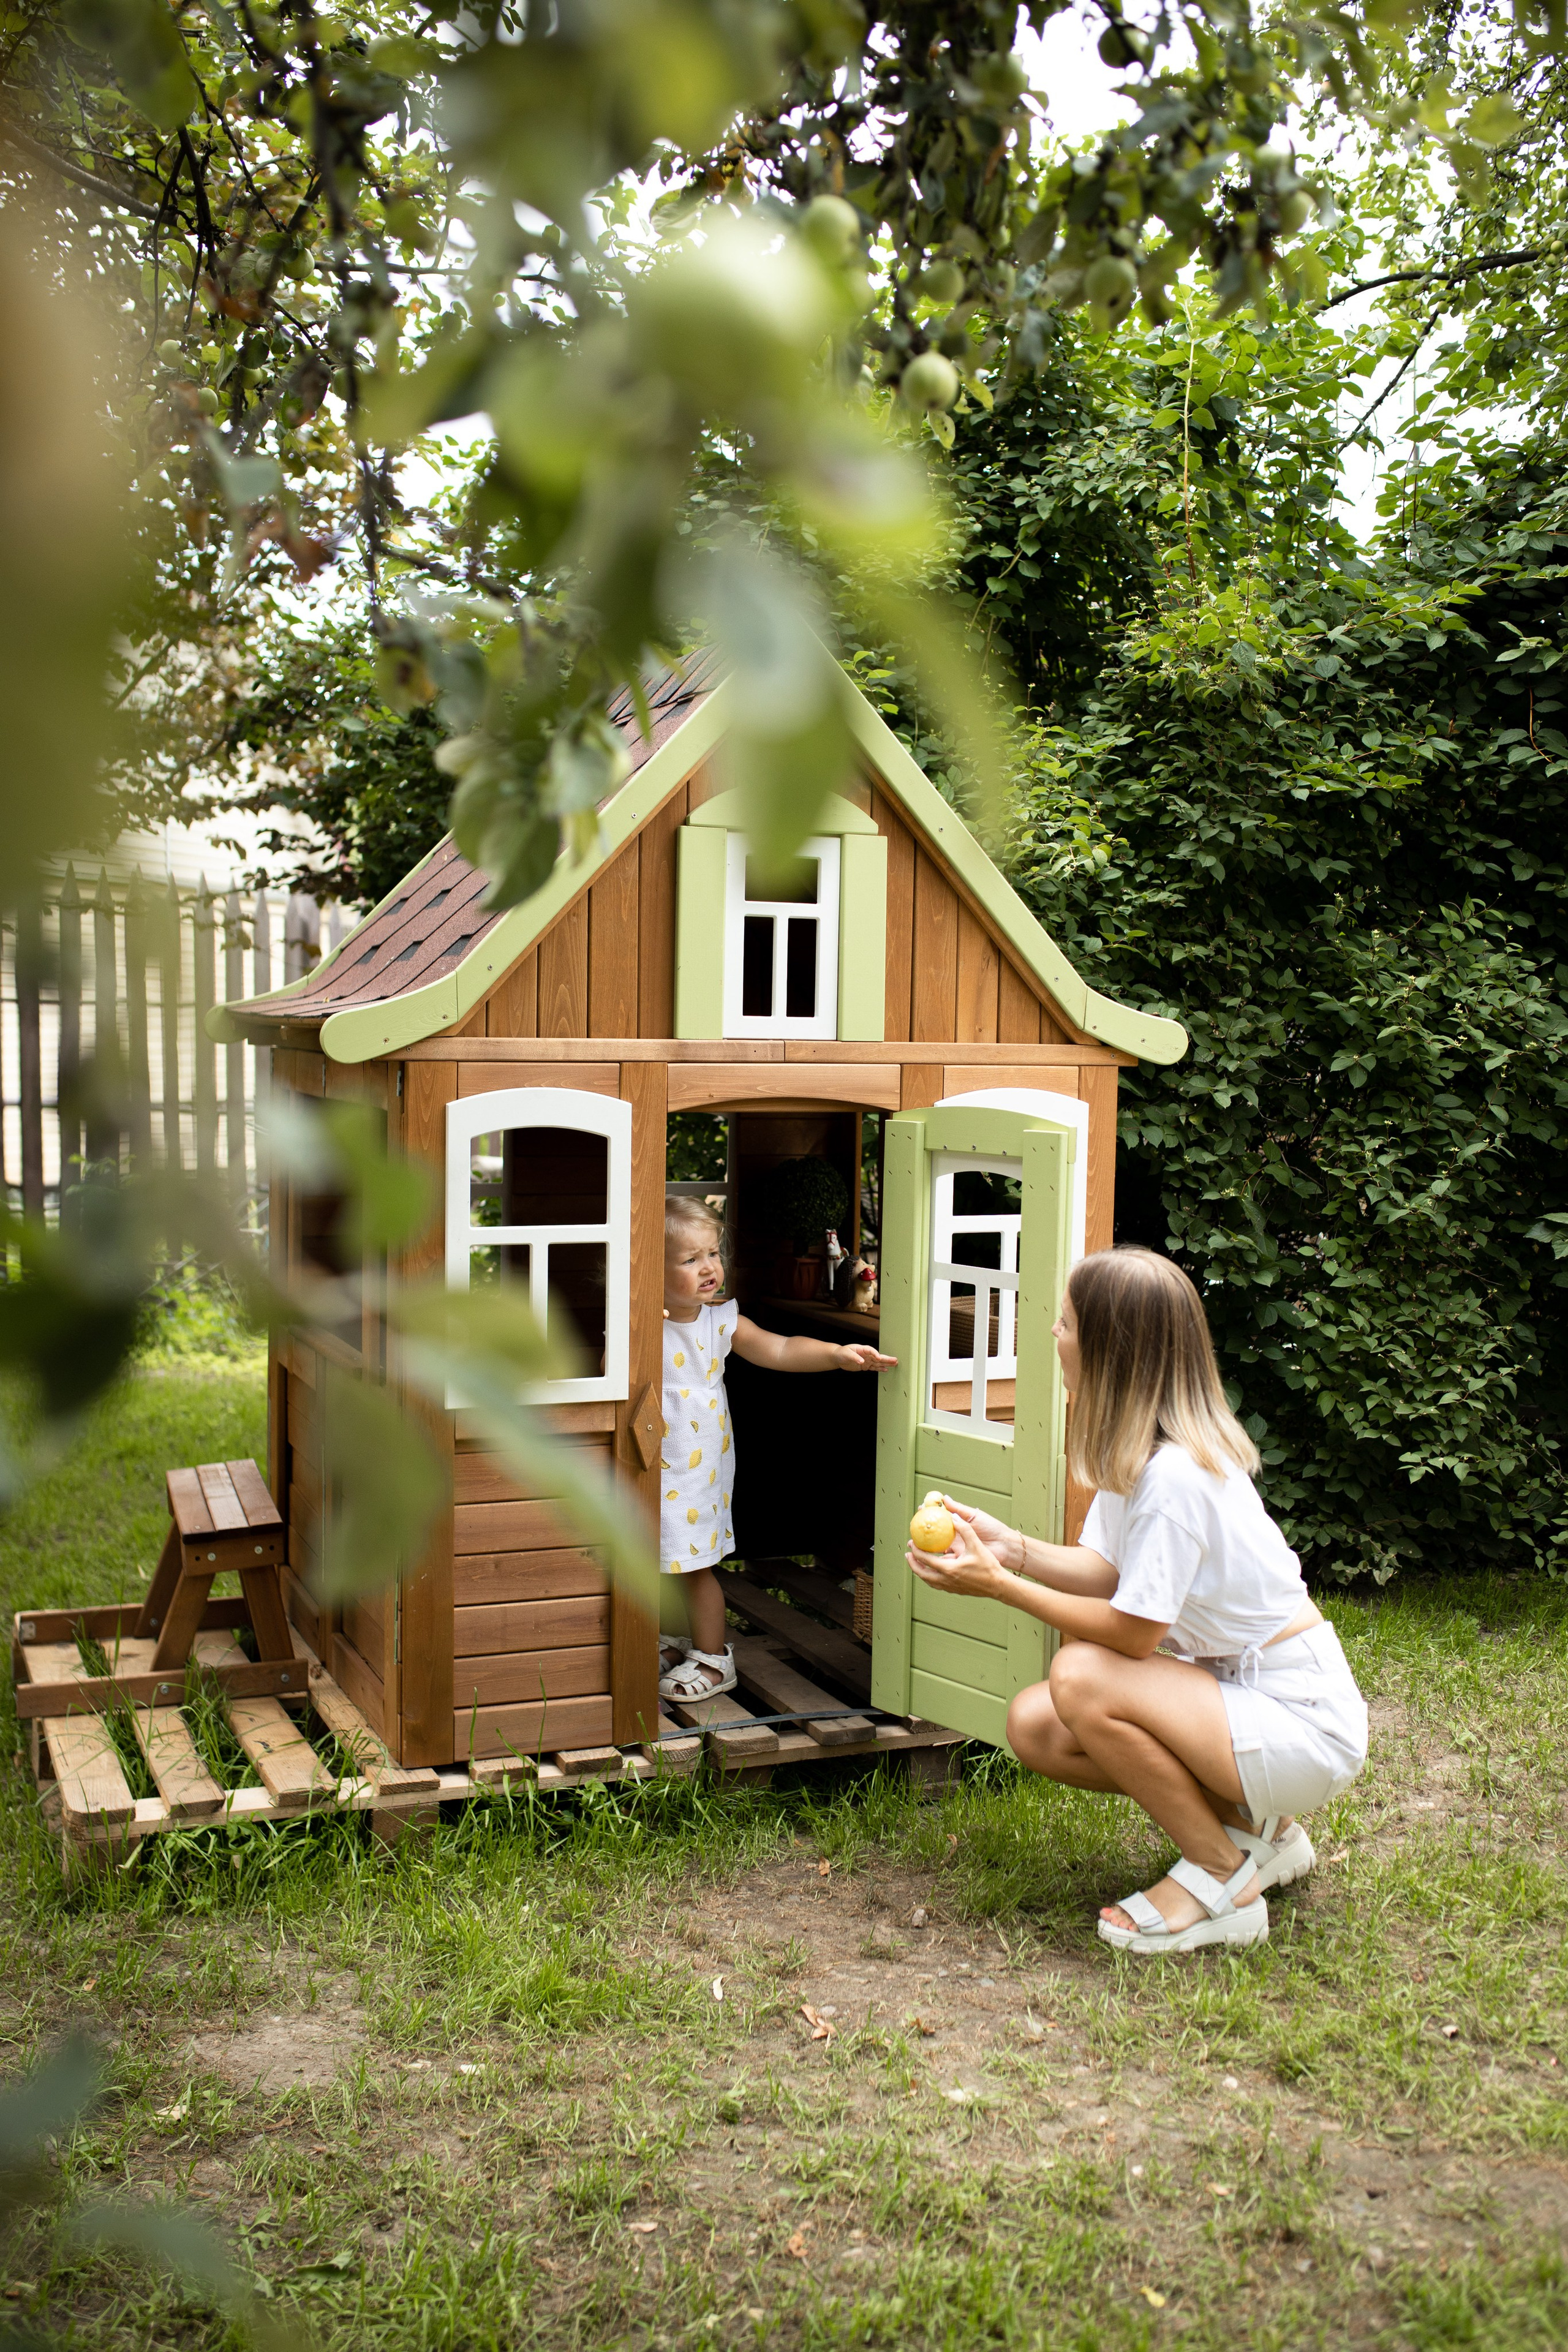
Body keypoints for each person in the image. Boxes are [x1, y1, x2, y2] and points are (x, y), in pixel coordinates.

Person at [906, 1246, 1368, 1956]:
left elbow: (1131, 1635)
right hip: (1239, 1699)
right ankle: (1261, 1835)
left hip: (1298, 1722)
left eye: (1064, 1323)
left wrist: (1000, 1587)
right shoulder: (1142, 1457)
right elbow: (1105, 1569)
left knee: (1081, 1676)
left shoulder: (1176, 1477)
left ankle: (1223, 1880)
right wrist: (1013, 1549)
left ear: (1107, 1349)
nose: (1053, 1335)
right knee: (1037, 1724)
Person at [660, 1193, 895, 1700]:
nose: (709, 1268)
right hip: (650, 1462)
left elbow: (782, 1348)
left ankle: (714, 1658)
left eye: (713, 1254)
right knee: (655, 1555)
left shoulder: (720, 1321)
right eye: (690, 1259)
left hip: (694, 1468)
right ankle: (678, 1639)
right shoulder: (642, 1328)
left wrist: (837, 1354)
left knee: (694, 1562)